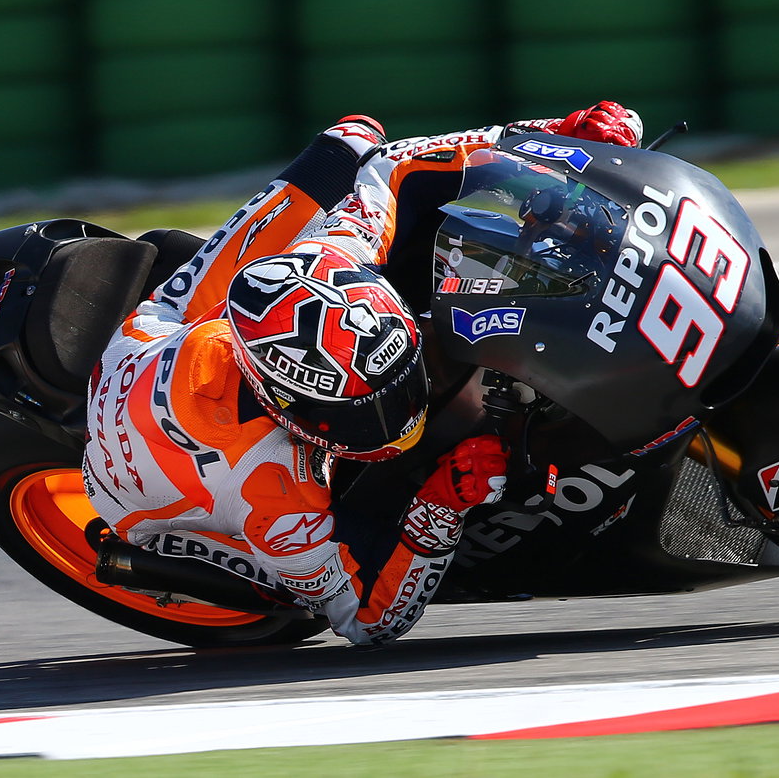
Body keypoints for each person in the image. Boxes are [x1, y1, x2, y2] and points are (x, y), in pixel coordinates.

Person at [82, 102, 644, 645]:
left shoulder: (331, 257)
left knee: (352, 142)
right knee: (299, 599)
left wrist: (561, 139)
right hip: (149, 499)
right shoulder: (274, 493)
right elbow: (366, 621)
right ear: (286, 407)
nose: (402, 416)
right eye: (362, 414)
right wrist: (438, 510)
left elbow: (395, 166)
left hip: (157, 332)